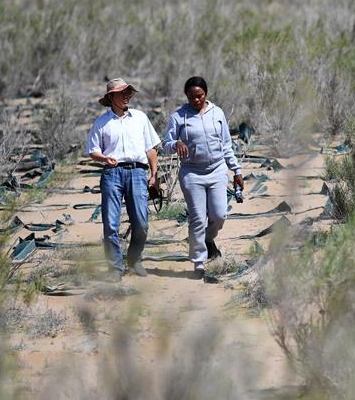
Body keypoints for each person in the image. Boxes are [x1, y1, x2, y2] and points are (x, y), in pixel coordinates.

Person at [163, 76, 243, 280]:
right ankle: (198, 262)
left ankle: (209, 238)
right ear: (186, 97)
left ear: (206, 94)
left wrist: (237, 170)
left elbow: (226, 144)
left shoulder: (217, 113)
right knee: (197, 218)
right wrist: (176, 144)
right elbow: (166, 144)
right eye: (191, 97)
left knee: (219, 214)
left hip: (216, 170)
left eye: (199, 96)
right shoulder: (179, 116)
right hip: (192, 172)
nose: (196, 100)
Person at [86, 78, 160, 281]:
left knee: (141, 222)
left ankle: (134, 259)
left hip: (138, 172)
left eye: (129, 92)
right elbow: (92, 150)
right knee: (110, 223)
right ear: (111, 97)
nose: (127, 96)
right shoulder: (101, 122)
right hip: (112, 173)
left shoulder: (141, 118)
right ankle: (115, 268)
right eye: (122, 93)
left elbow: (151, 148)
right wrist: (104, 158)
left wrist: (154, 175)